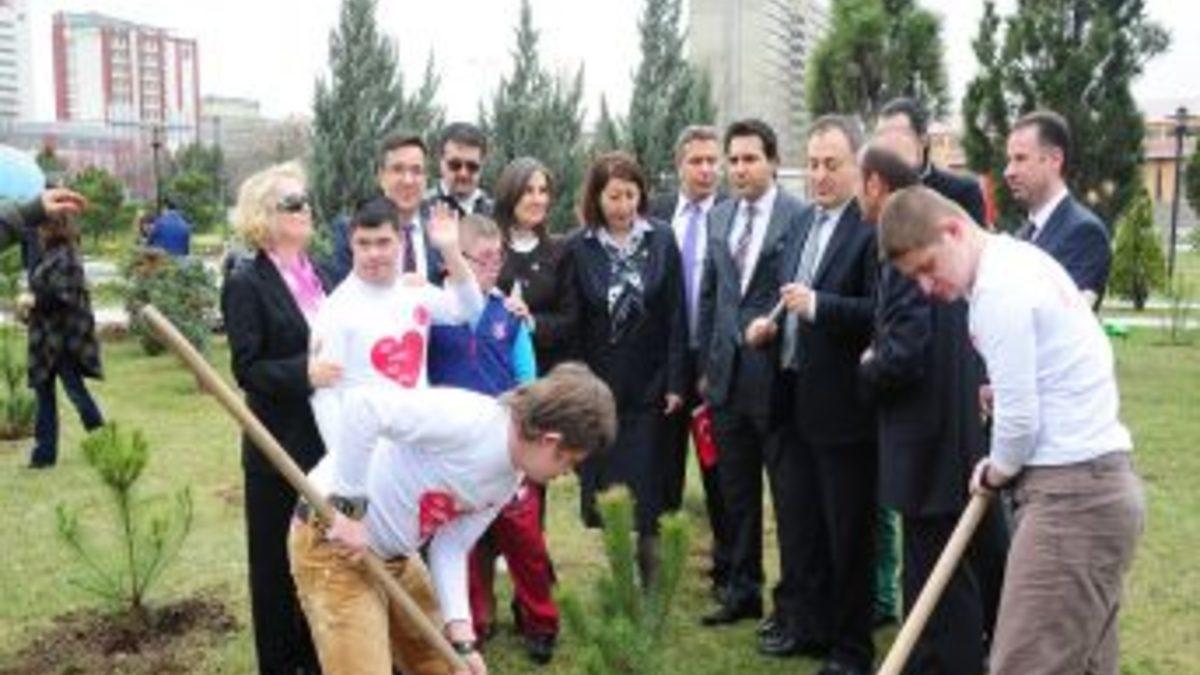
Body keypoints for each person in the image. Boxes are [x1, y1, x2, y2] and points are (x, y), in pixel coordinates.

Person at [879, 186, 1144, 675]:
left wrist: (996, 469)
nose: (926, 286)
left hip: (1073, 502)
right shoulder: (1021, 261)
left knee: (1024, 663)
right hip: (1100, 488)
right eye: (914, 277)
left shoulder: (997, 290)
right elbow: (1075, 359)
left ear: (953, 231)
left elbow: (1020, 424)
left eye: (927, 267)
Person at [291, 364, 618, 675]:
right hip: (333, 544)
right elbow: (363, 408)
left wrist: (462, 639)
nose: (566, 474)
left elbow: (452, 545)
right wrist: (349, 508)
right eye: (569, 462)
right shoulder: (467, 419)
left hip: (397, 557)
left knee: (447, 666)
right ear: (550, 441)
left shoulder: (509, 478)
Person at [744, 115, 879, 674]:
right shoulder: (800, 224)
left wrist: (819, 306)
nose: (820, 175)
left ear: (857, 166)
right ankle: (808, 626)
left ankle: (851, 650)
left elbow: (879, 313)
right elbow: (787, 299)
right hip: (790, 397)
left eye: (832, 165)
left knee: (847, 534)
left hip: (845, 410)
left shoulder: (870, 229)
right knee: (801, 527)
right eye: (814, 164)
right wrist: (769, 325)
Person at [856, 145, 986, 673]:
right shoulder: (933, 249)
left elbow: (905, 351)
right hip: (946, 437)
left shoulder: (910, 253)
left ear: (874, 185)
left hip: (927, 442)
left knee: (941, 576)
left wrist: (870, 365)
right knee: (936, 569)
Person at [427, 214, 559, 664]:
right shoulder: (430, 314)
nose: (492, 269)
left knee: (525, 540)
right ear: (452, 261)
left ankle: (541, 621)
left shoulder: (509, 314)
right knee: (459, 543)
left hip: (507, 449)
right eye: (481, 260)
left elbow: (528, 379)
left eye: (497, 259)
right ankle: (474, 622)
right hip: (451, 452)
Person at [696, 118, 808, 630]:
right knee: (735, 495)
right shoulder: (719, 217)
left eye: (750, 159)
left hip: (778, 383)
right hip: (725, 382)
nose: (739, 169)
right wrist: (705, 366)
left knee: (789, 501)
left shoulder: (798, 216)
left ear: (773, 162)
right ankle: (742, 591)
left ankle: (793, 604)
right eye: (734, 160)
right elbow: (710, 296)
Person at [220, 161, 330, 674]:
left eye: (306, 200)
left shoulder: (320, 272)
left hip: (328, 442)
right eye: (292, 203)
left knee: (320, 555)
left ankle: (316, 656)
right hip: (277, 446)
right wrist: (305, 372)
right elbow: (248, 368)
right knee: (275, 566)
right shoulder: (247, 281)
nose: (305, 209)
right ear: (264, 214)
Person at [568, 151, 687, 582]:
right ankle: (621, 579)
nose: (623, 206)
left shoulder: (662, 238)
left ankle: (651, 579)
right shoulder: (579, 247)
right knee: (610, 489)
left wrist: (676, 380)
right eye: (614, 196)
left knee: (650, 489)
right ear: (597, 198)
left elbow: (676, 314)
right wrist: (578, 386)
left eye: (630, 195)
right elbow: (576, 323)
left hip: (652, 386)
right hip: (603, 387)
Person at [308, 196, 483, 477]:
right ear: (351, 244)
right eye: (364, 243)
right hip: (368, 460)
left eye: (383, 242)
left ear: (400, 240)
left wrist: (450, 250)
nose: (373, 253)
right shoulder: (336, 310)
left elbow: (470, 310)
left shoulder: (413, 290)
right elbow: (325, 397)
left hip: (417, 451)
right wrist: (348, 470)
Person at [645, 125, 731, 598]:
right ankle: (656, 568)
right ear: (679, 165)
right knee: (662, 468)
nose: (706, 169)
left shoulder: (732, 214)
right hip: (665, 361)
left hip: (714, 361)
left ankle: (727, 568)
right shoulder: (655, 214)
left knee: (720, 470)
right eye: (696, 161)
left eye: (712, 161)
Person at [1005, 110, 1111, 309]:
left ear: (1055, 159)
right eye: (1009, 160)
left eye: (1020, 159)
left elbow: (1062, 316)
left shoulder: (1084, 233)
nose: (1008, 172)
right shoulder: (1022, 235)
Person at [25, 215, 104, 469]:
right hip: (45, 337)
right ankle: (43, 455)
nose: (39, 232)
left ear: (53, 227)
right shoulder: (49, 255)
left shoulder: (66, 257)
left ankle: (104, 439)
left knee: (75, 392)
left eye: (42, 226)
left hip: (63, 338)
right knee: (44, 395)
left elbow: (62, 298)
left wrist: (33, 301)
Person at [493, 157, 580, 373]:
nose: (538, 199)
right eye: (528, 191)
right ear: (510, 194)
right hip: (495, 369)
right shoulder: (490, 247)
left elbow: (570, 319)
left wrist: (530, 321)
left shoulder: (560, 251)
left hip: (547, 374)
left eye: (543, 191)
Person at [332, 133, 448, 286]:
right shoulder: (352, 229)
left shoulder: (443, 231)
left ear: (425, 178)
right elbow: (346, 292)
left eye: (416, 171)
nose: (408, 181)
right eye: (398, 169)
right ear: (381, 176)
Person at [877, 97, 988, 224]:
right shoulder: (872, 196)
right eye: (880, 136)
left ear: (923, 140)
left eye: (897, 135)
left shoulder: (962, 192)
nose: (887, 144)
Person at [427, 122, 494, 217]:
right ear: (440, 161)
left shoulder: (496, 213)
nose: (463, 173)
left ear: (482, 164)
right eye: (455, 165)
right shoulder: (419, 210)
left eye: (472, 166)